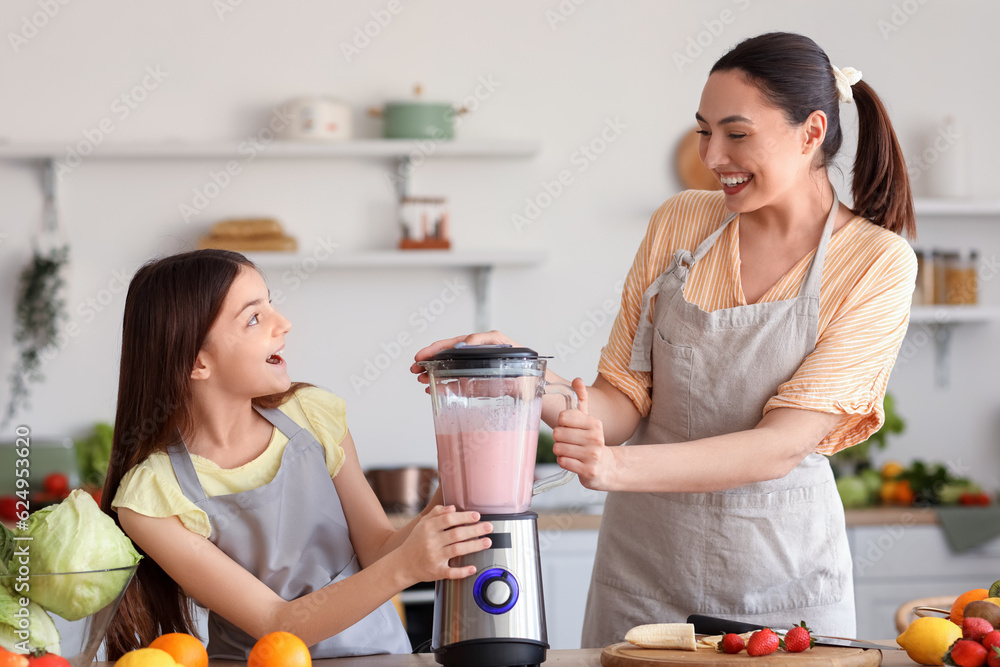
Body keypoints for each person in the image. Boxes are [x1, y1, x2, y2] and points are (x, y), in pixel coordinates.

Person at [412, 32, 916, 647]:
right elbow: (620, 404)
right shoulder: (681, 221)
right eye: (705, 131)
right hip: (645, 579)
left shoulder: (875, 262)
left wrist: (614, 466)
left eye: (737, 133)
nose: (713, 156)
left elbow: (780, 446)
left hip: (780, 587)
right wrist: (514, 372)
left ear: (812, 132)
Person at [102, 249, 493, 660]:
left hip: (379, 655)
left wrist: (461, 464)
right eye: (254, 317)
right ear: (198, 361)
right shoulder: (152, 497)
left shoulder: (312, 414)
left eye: (270, 305)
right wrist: (406, 568)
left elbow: (378, 548)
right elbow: (276, 623)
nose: (283, 323)